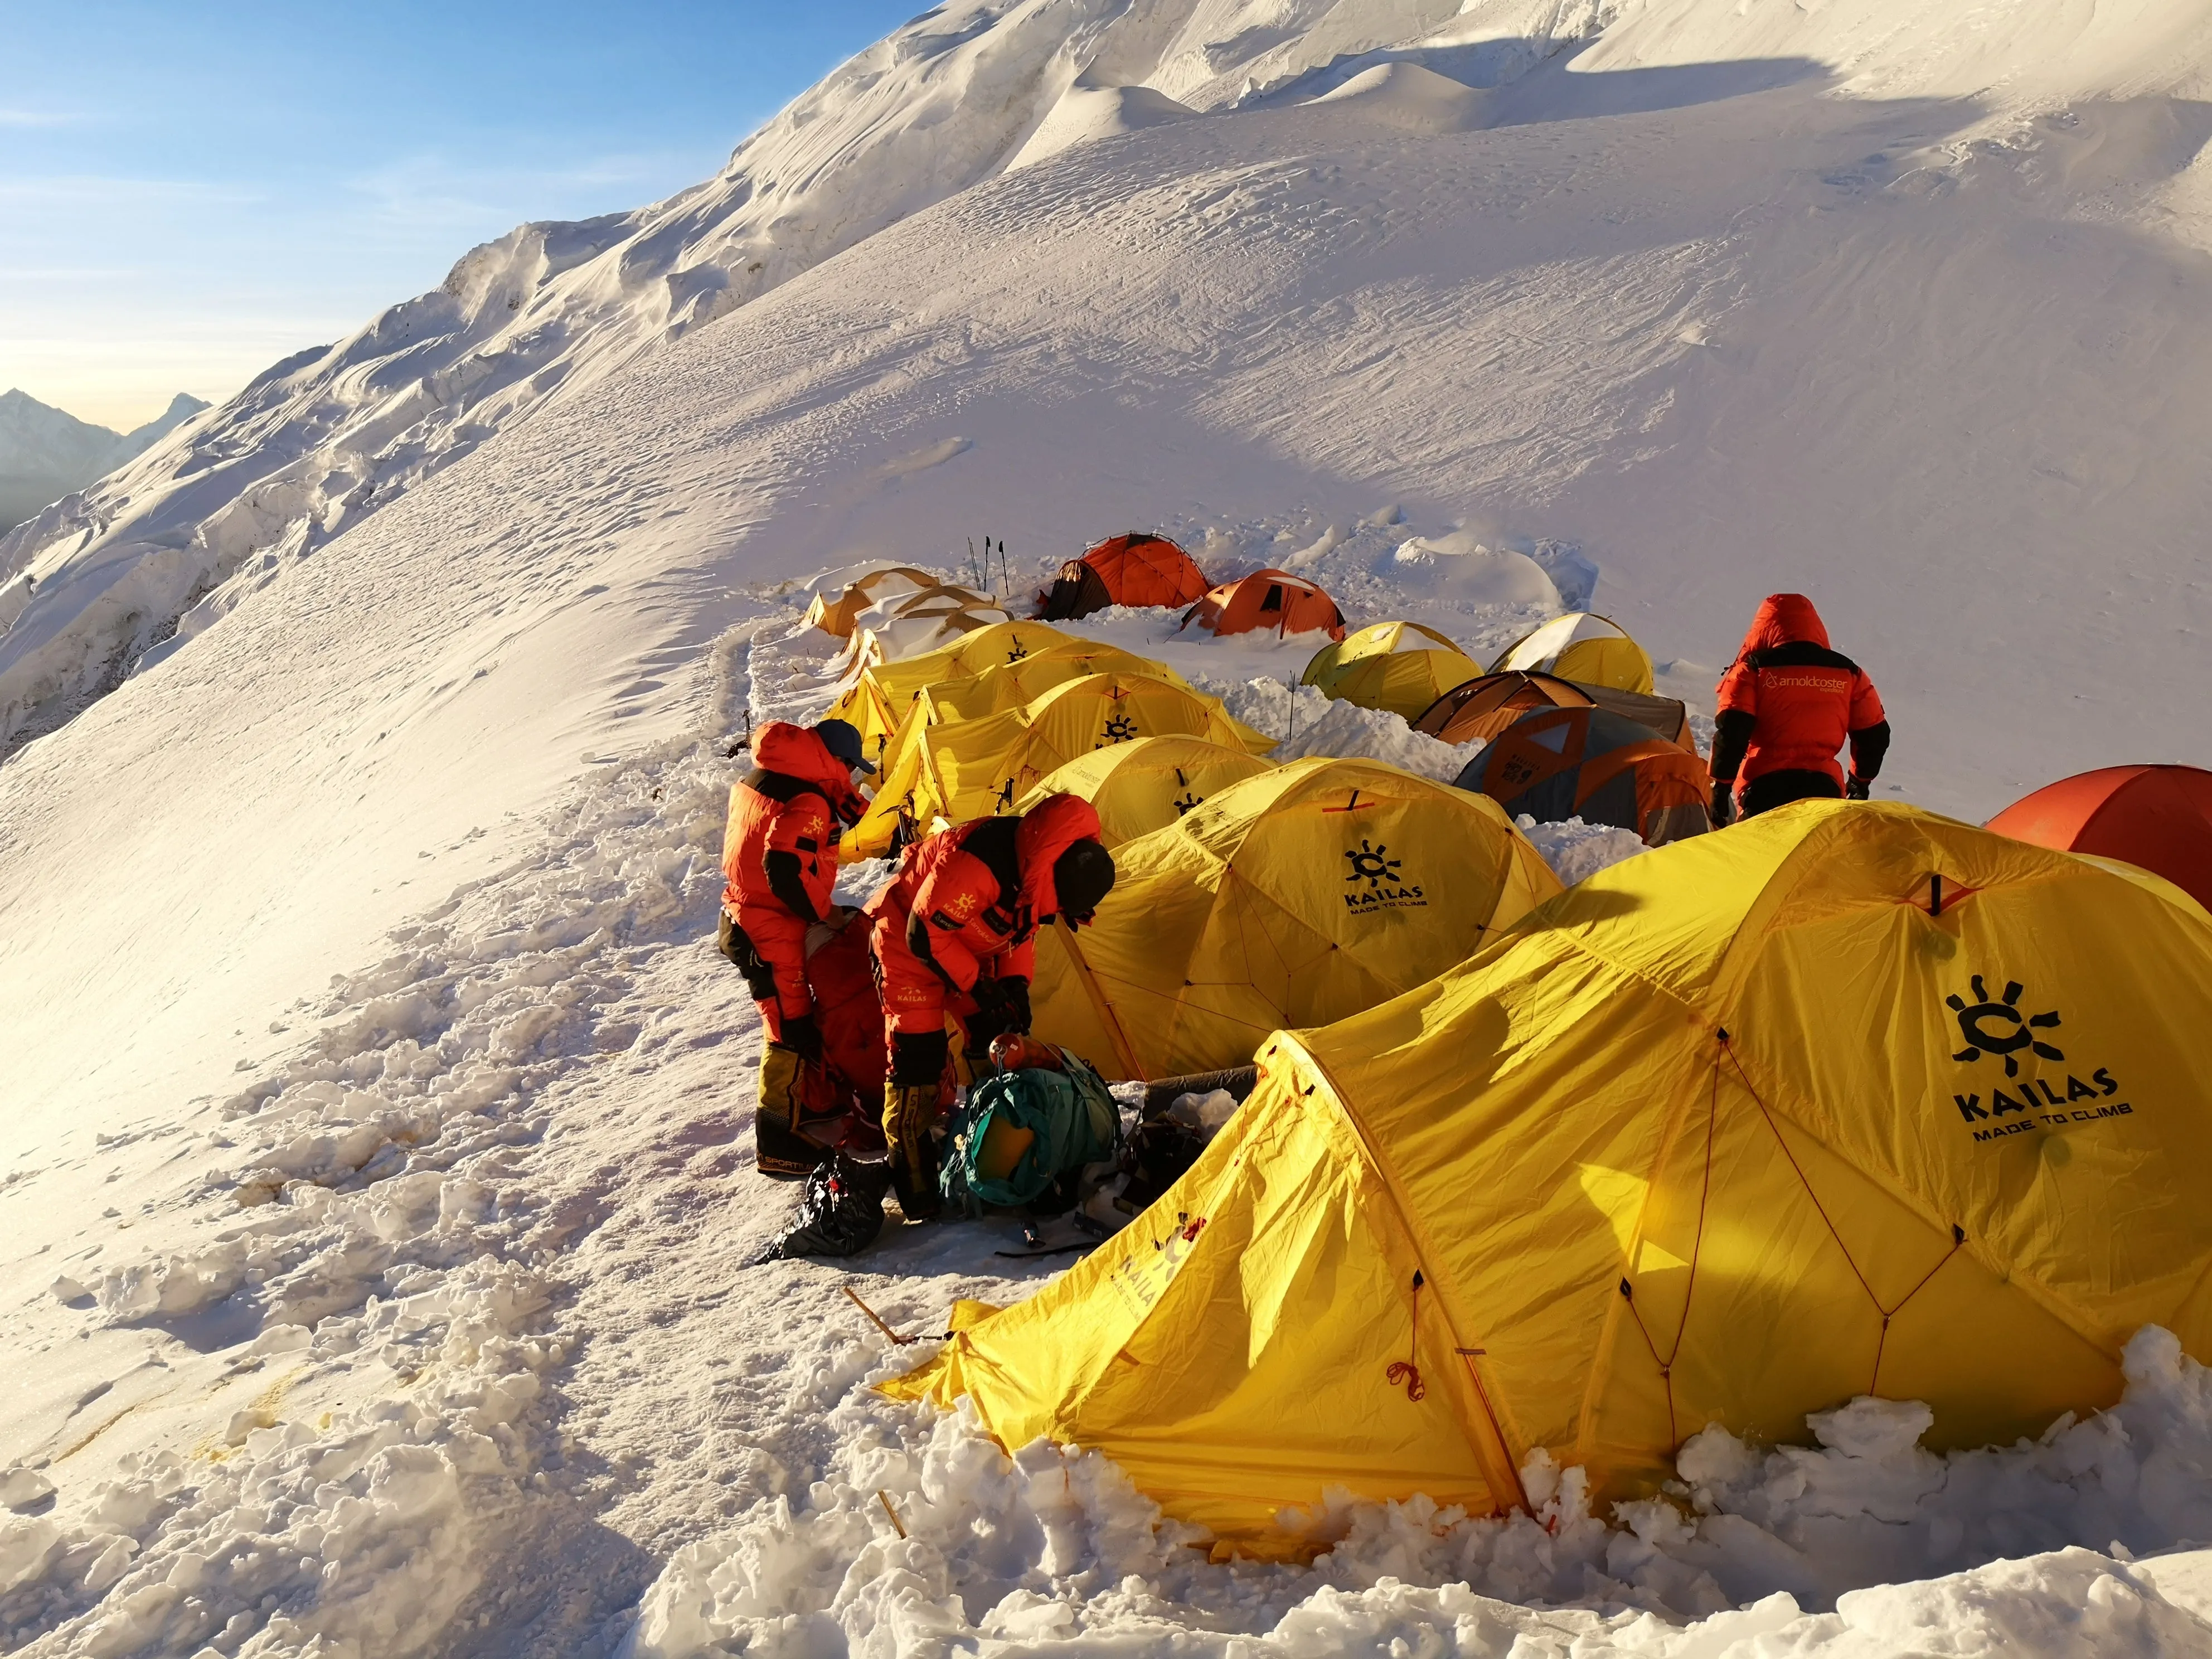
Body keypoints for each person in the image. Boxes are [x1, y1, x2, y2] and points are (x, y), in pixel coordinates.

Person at [865, 794, 1117, 1220]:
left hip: (964, 950)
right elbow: (923, 934)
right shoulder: (978, 866)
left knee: (1000, 1037)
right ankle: (916, 1181)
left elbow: (1022, 928)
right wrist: (981, 989)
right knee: (917, 1060)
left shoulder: (1040, 865)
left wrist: (1014, 985)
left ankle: (999, 1149)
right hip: (907, 944)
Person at [719, 719, 874, 1177]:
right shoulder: (808, 799)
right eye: (853, 770)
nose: (853, 780)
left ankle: (812, 1113)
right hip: (769, 928)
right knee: (788, 1031)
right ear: (839, 762)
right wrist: (822, 913)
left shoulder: (764, 777)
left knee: (790, 1024)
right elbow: (784, 870)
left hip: (744, 914)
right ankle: (783, 1150)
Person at [1710, 594, 1890, 823]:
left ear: (1762, 629)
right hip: (1825, 790)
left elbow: (1733, 730)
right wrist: (1859, 783)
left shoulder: (1752, 670)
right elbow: (1875, 734)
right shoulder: (1850, 673)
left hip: (1763, 788)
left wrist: (1721, 787)